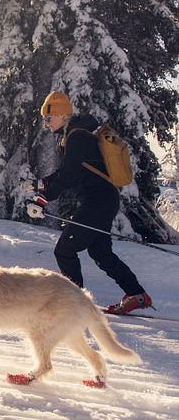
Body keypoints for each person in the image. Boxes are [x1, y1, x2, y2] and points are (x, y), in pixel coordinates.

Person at [24, 90, 152, 315]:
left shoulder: (77, 137)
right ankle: (136, 294)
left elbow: (70, 174)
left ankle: (74, 303)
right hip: (101, 201)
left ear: (63, 115)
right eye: (44, 118)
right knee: (101, 253)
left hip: (97, 202)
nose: (45, 123)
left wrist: (44, 198)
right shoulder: (75, 134)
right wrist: (42, 184)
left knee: (64, 250)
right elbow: (71, 170)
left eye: (48, 117)